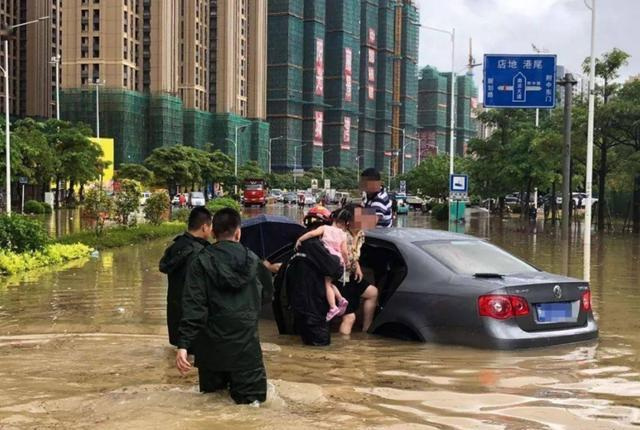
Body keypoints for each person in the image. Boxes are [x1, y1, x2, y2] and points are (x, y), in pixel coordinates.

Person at [175, 208, 273, 405]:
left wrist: (183, 345)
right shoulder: (254, 261)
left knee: (210, 407)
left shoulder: (200, 261)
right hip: (247, 351)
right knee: (251, 411)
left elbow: (194, 304)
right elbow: (267, 295)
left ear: (212, 233)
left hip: (211, 352)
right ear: (238, 232)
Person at [159, 206, 212, 348]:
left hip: (176, 317)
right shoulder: (201, 252)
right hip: (194, 320)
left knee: (180, 358)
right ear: (205, 227)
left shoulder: (175, 247)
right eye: (210, 226)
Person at [295, 209, 352, 321]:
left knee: (326, 284)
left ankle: (333, 307)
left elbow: (312, 233)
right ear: (345, 223)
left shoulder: (325, 228)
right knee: (330, 283)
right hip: (338, 262)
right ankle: (340, 299)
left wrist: (299, 240)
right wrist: (347, 262)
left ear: (333, 219)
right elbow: (344, 251)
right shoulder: (343, 235)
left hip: (328, 260)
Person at [337, 205, 379, 335]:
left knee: (372, 292)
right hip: (339, 278)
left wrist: (358, 267)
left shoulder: (361, 234)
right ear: (349, 220)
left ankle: (366, 331)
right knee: (349, 317)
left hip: (350, 276)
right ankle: (344, 348)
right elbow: (344, 256)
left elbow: (354, 255)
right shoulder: (341, 235)